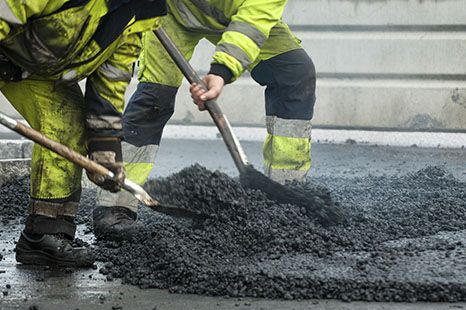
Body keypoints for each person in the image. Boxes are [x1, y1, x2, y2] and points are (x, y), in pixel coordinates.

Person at [94, 0, 316, 241]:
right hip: (170, 11)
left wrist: (222, 70)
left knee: (295, 73)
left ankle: (286, 194)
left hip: (234, 15)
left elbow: (256, 16)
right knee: (154, 98)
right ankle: (114, 204)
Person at [0, 0, 167, 266]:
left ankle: (44, 235)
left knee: (67, 125)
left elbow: (111, 79)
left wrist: (105, 148)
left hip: (35, 71)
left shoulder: (142, 11)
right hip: (6, 49)